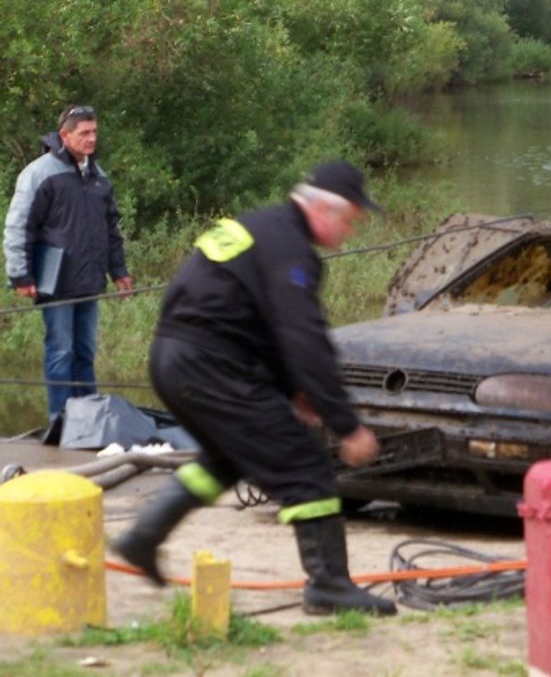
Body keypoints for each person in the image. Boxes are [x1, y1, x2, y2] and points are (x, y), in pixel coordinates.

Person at [112, 161, 396, 616]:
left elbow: (251, 321)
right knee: (304, 462)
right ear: (323, 208)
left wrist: (293, 390)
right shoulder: (291, 250)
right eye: (349, 220)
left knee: (225, 459)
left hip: (173, 360)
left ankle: (143, 537)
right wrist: (346, 424)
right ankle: (330, 585)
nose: (349, 232)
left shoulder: (260, 227)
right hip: (211, 366)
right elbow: (303, 337)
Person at [3, 105, 132, 420]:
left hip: (90, 281)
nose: (92, 139)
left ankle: (89, 420)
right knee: (61, 353)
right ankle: (60, 422)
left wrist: (119, 271)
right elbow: (19, 227)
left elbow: (111, 230)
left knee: (85, 354)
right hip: (56, 281)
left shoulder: (99, 176)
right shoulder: (39, 173)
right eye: (84, 133)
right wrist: (21, 276)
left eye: (94, 132)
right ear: (65, 135)